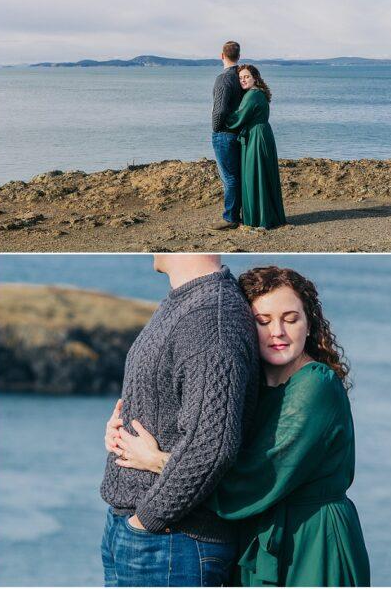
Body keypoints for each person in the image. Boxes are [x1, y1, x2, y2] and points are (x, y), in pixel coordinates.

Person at [113, 266, 370, 586]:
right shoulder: (254, 386)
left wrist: (157, 460)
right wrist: (122, 431)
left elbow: (255, 480)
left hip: (311, 542)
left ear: (309, 324)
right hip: (256, 534)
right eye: (263, 322)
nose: (278, 331)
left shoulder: (316, 386)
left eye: (291, 319)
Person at [100, 254, 260, 586]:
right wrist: (119, 429)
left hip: (173, 540)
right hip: (142, 534)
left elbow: (212, 446)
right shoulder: (186, 300)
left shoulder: (210, 317)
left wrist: (147, 520)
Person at [226, 65, 286, 229]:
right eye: (240, 78)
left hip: (256, 137)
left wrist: (221, 118)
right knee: (262, 175)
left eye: (246, 77)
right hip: (260, 133)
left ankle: (259, 219)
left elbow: (239, 118)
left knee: (255, 175)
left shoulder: (252, 95)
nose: (243, 80)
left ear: (255, 78)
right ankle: (267, 215)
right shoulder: (258, 94)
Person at [209, 40, 245, 231]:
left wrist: (215, 128)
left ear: (222, 56)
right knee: (237, 176)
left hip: (224, 133)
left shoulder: (223, 78)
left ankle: (230, 217)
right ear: (238, 56)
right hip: (238, 132)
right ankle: (240, 214)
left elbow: (220, 109)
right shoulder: (241, 77)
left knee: (229, 177)